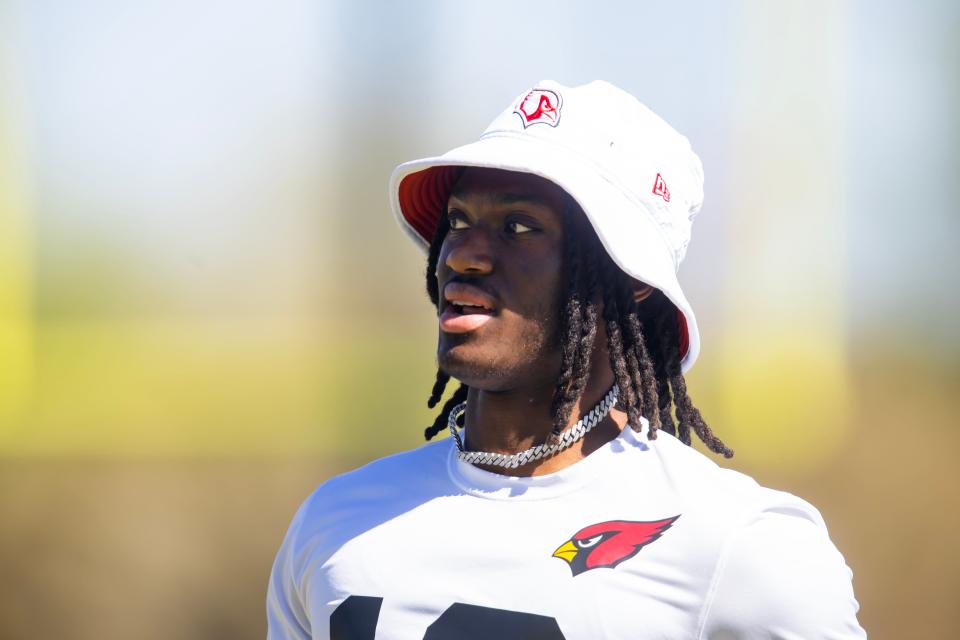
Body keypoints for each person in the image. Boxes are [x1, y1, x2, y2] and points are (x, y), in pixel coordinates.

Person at [266, 80, 866, 639]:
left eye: (520, 226)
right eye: (458, 220)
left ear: (628, 279)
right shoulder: (336, 522)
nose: (464, 254)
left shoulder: (740, 547)